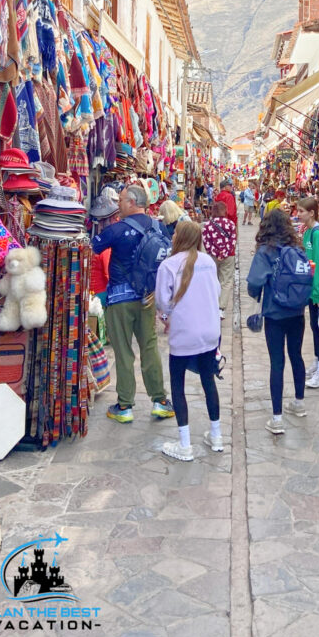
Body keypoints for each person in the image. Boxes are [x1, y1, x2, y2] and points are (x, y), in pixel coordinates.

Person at [92, 184, 174, 423]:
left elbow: (92, 247)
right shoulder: (159, 227)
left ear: (132, 202)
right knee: (149, 348)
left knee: (124, 352)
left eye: (122, 200)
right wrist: (157, 290)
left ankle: (125, 406)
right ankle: (160, 401)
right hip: (146, 299)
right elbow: (166, 260)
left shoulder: (116, 229)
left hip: (119, 300)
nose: (118, 204)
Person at [155, 221, 223, 462]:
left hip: (184, 332)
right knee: (208, 381)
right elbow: (216, 293)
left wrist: (166, 317)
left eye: (174, 233)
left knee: (178, 385)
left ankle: (185, 444)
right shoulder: (208, 262)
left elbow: (163, 302)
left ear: (180, 237)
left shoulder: (169, 266)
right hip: (209, 331)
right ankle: (216, 435)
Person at [247, 209, 307, 435]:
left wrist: (256, 293)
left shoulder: (266, 251)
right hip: (297, 312)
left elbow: (254, 282)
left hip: (274, 312)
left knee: (277, 362)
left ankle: (277, 417)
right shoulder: (297, 248)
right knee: (297, 355)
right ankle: (299, 403)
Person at [297, 197, 319, 389]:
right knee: (314, 327)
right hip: (312, 289)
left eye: (301, 211)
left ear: (312, 213)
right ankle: (318, 361)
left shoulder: (317, 235)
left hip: (317, 290)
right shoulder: (309, 232)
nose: (298, 214)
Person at [202, 201, 237, 317]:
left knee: (213, 279)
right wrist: (224, 252)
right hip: (228, 256)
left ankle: (213, 304)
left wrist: (216, 252)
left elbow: (206, 242)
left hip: (212, 256)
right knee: (226, 281)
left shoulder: (208, 225)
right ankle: (221, 308)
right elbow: (233, 240)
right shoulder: (231, 224)